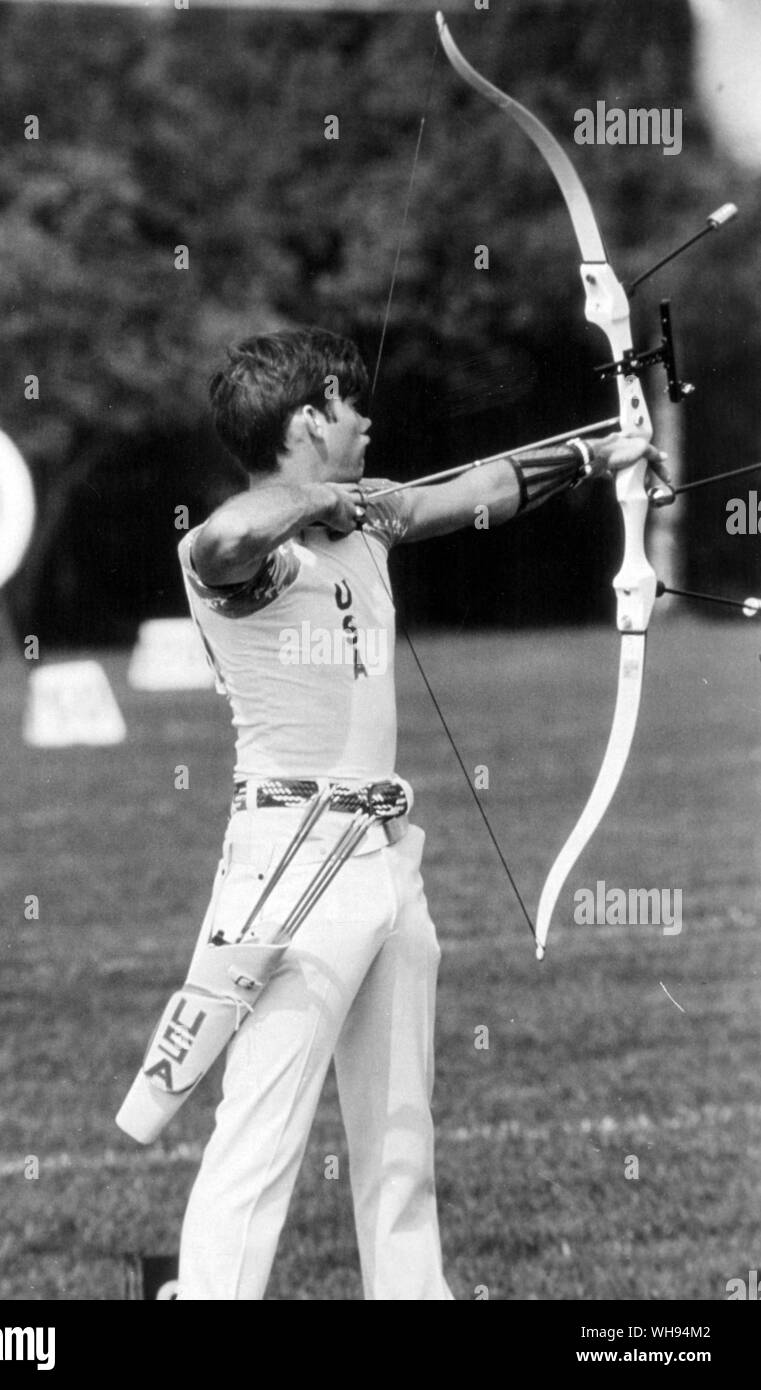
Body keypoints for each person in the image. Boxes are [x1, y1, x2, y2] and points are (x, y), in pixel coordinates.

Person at [174, 326, 665, 1300]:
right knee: (261, 1128)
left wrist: (589, 454)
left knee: (400, 1131)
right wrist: (315, 500)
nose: (367, 425)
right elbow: (219, 543)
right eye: (351, 407)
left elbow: (474, 493)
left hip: (383, 855)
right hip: (289, 860)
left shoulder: (368, 518)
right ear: (310, 413)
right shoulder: (244, 551)